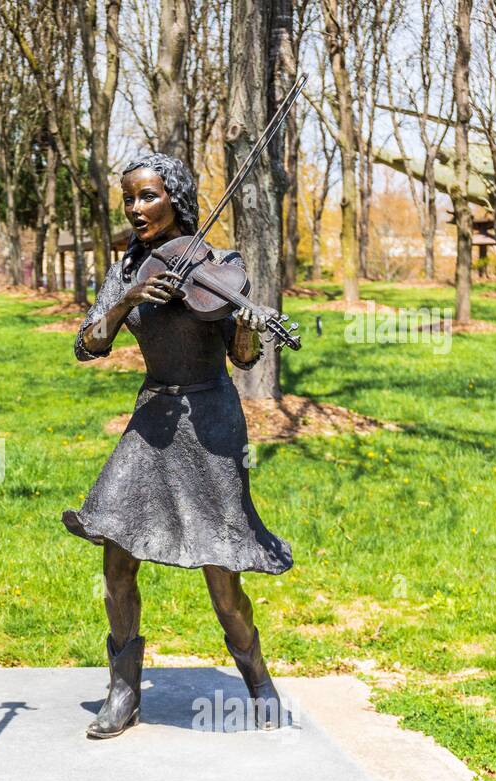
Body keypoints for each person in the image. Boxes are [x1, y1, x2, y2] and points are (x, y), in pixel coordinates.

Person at [63, 152, 290, 738]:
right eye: (130, 199)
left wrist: (246, 326)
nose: (137, 209)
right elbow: (87, 345)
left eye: (148, 197)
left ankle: (259, 682)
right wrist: (129, 298)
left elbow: (242, 359)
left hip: (210, 418)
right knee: (115, 554)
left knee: (222, 572)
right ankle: (123, 688)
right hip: (153, 415)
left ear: (176, 199)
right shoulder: (128, 269)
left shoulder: (219, 265)